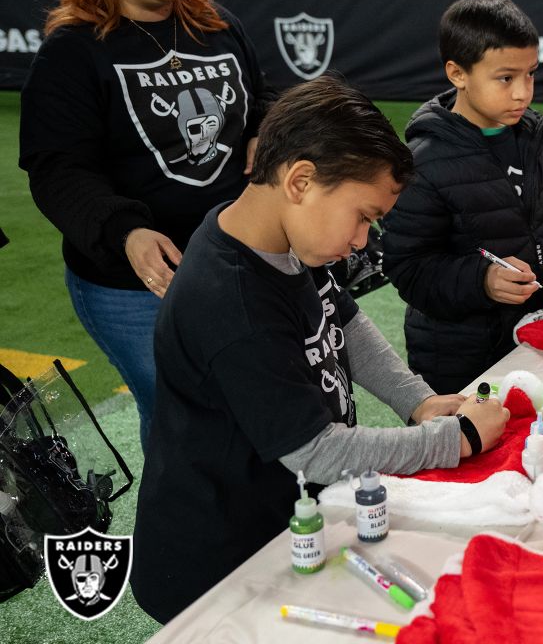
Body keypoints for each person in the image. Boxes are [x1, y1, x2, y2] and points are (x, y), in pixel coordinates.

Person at [130, 76, 512, 623]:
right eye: (363, 217)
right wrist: (456, 438)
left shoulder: (283, 238)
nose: (362, 241)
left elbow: (345, 321)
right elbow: (316, 451)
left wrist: (418, 400)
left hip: (286, 524)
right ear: (301, 181)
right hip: (217, 565)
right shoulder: (232, 300)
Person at [18, 0, 272, 453]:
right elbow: (57, 170)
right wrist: (126, 231)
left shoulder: (220, 26)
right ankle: (182, 535)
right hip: (134, 286)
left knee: (256, 408)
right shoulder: (72, 51)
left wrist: (265, 133)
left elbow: (261, 99)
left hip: (236, 261)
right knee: (186, 425)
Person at [382, 0, 543, 395]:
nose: (523, 93)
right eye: (506, 78)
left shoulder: (529, 134)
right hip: (459, 360)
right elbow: (409, 268)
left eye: (530, 74)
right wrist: (482, 279)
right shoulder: (422, 163)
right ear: (457, 73)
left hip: (535, 332)